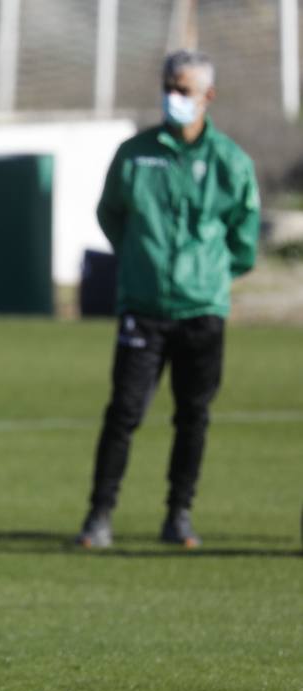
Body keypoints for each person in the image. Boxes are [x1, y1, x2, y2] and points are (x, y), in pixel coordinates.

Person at [77, 49, 259, 550]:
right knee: (124, 411)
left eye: (184, 89)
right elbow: (111, 214)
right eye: (168, 86)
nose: (173, 97)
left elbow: (244, 236)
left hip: (202, 308)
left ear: (208, 97)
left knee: (193, 414)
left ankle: (179, 513)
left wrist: (214, 275)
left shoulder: (230, 162)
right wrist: (142, 259)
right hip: (143, 304)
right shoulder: (135, 154)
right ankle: (99, 514)